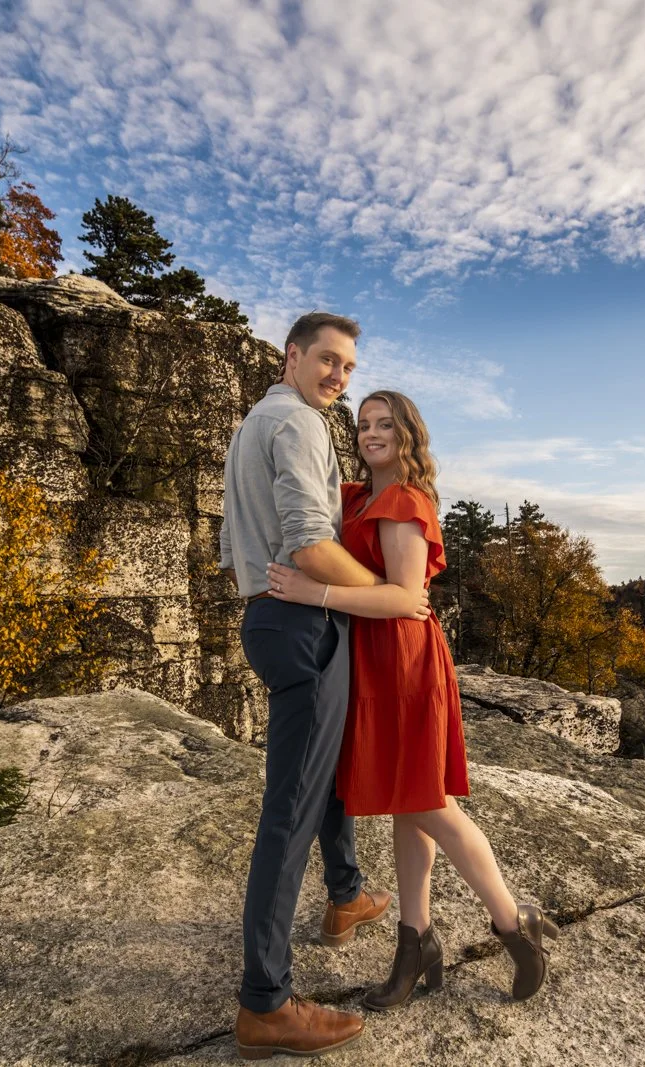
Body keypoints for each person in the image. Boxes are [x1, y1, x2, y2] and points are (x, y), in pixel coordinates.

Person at [266, 389, 560, 1013]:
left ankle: (514, 923)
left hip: (404, 664)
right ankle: (416, 940)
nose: (371, 433)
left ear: (408, 433)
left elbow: (404, 600)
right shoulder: (356, 495)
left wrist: (311, 592)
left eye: (385, 424)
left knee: (428, 803)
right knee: (409, 802)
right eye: (363, 424)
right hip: (375, 663)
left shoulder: (403, 503)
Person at [218, 313, 430, 1061]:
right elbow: (310, 543)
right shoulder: (301, 424)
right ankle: (266, 1002)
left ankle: (346, 892)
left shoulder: (252, 424)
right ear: (293, 356)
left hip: (267, 616)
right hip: (301, 621)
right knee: (291, 805)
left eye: (348, 365)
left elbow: (231, 540)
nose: (339, 376)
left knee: (326, 767)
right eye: (328, 361)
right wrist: (384, 587)